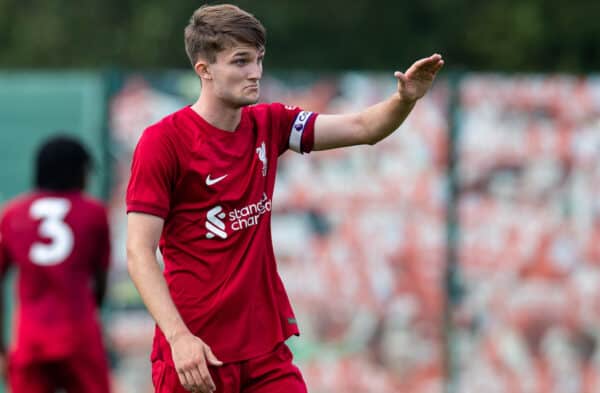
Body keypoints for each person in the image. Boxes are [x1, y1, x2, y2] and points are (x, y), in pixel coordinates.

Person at [126, 4, 444, 393]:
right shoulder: (164, 142)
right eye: (240, 61)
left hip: (264, 352)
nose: (255, 72)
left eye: (258, 59)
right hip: (198, 354)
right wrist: (179, 338)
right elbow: (138, 252)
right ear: (204, 70)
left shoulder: (270, 124)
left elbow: (365, 128)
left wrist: (405, 99)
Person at [0, 136, 111, 393]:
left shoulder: (13, 215)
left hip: (30, 338)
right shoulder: (94, 213)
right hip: (79, 334)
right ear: (78, 172)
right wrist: (93, 314)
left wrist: (2, 347)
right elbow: (100, 280)